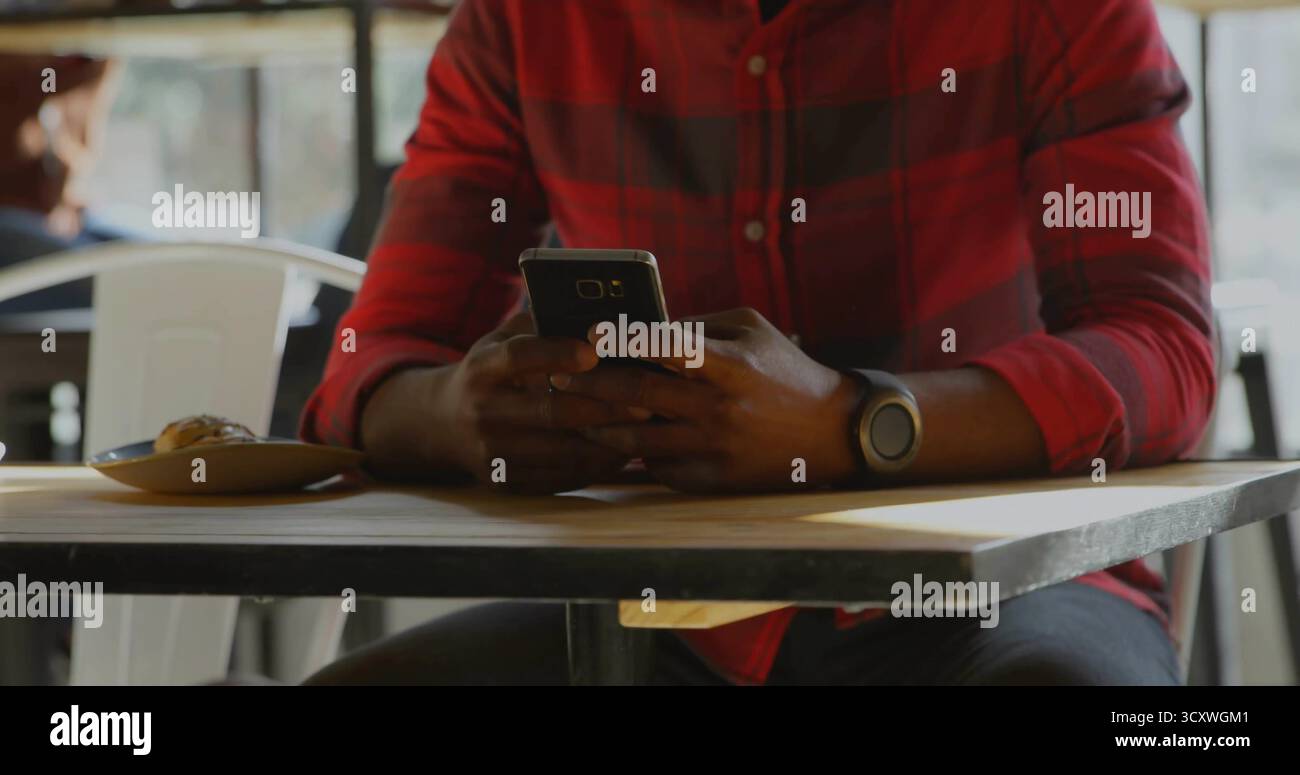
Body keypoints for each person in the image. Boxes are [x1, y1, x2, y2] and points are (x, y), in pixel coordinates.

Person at [301, 0, 1212, 685]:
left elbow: (1164, 347)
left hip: (1013, 599)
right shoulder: (521, 18)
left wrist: (855, 423)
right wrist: (457, 411)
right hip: (656, 617)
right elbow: (370, 364)